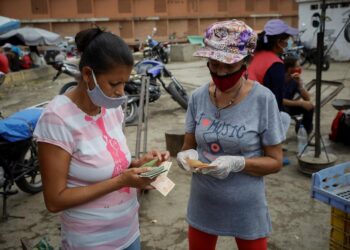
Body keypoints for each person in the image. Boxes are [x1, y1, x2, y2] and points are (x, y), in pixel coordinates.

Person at [34, 28, 170, 250]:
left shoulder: (110, 108)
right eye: (114, 84)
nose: (120, 92)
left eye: (124, 83)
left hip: (129, 233)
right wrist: (122, 181)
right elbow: (54, 200)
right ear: (88, 75)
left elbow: (114, 166)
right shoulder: (57, 119)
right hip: (91, 243)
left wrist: (142, 165)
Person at [176, 20, 285, 250]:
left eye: (229, 66)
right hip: (203, 202)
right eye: (214, 65)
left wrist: (239, 163)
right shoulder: (197, 97)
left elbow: (275, 161)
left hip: (246, 207)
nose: (221, 72)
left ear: (246, 62)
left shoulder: (263, 100)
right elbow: (188, 145)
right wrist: (185, 156)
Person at [283, 56, 314, 134]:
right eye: (297, 66)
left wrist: (300, 85)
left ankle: (305, 132)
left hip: (288, 105)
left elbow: (307, 98)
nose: (300, 68)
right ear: (290, 69)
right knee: (284, 110)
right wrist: (300, 103)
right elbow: (279, 100)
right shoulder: (278, 79)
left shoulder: (295, 80)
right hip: (277, 107)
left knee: (309, 107)